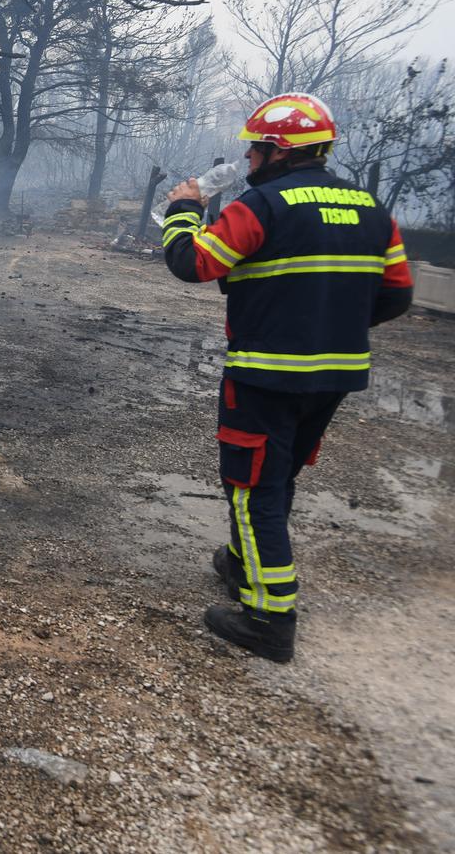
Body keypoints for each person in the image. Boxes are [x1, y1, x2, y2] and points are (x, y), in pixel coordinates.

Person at [160, 93, 414, 663]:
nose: (248, 158)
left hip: (266, 373)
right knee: (277, 476)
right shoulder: (372, 209)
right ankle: (241, 563)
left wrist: (183, 209)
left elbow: (192, 264)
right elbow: (397, 295)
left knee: (252, 487)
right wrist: (331, 323)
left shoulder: (261, 206)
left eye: (254, 148)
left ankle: (270, 619)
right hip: (335, 376)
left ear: (276, 150)